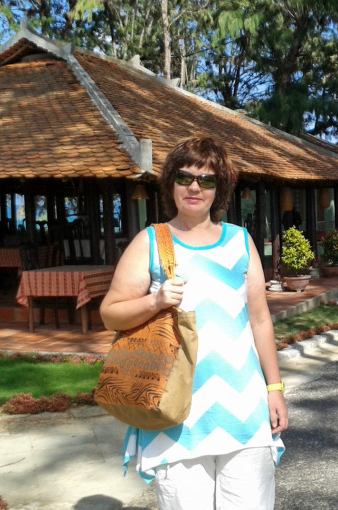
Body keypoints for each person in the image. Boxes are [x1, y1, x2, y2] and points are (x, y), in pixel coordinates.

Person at [100, 136, 287, 510]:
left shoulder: (240, 241)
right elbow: (110, 313)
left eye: (207, 180)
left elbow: (260, 320)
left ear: (220, 189)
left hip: (244, 411)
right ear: (172, 183)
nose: (195, 187)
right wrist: (155, 301)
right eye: (184, 177)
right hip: (175, 413)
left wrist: (275, 388)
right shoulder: (151, 242)